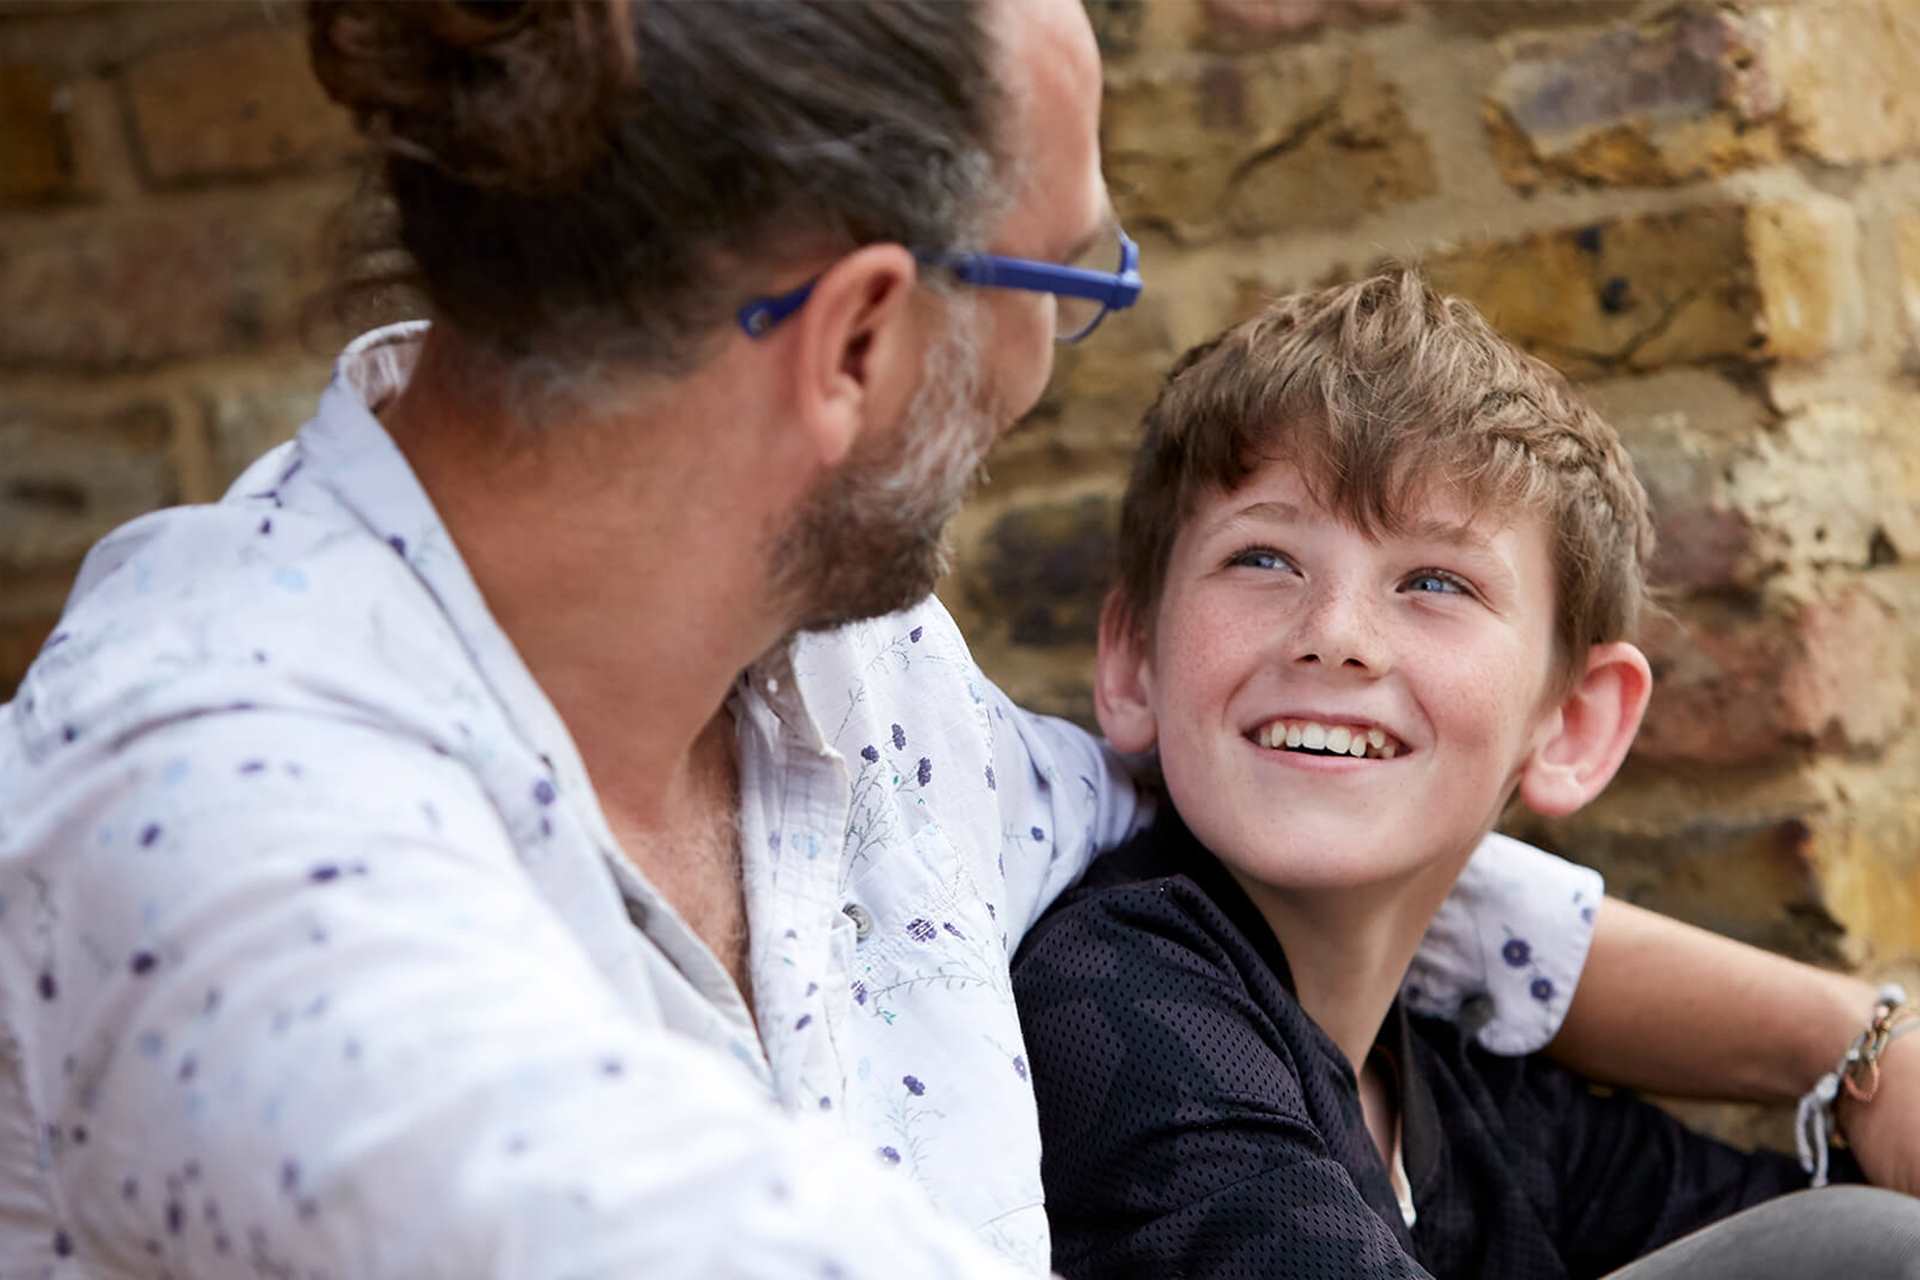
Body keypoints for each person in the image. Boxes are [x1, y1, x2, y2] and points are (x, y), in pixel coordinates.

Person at [0, 1, 1909, 1276]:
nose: (1045, 376)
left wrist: (1848, 1048)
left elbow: (1293, 831)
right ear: (858, 341)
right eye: (1068, 286)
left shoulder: (860, 687)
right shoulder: (233, 838)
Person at [1012, 271, 1920, 1278]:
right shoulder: (1109, 992)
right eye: (1264, 558)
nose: (1336, 635)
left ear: (1573, 722)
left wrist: (1872, 1055)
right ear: (1134, 657)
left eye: (1435, 582)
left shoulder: (1475, 1100)